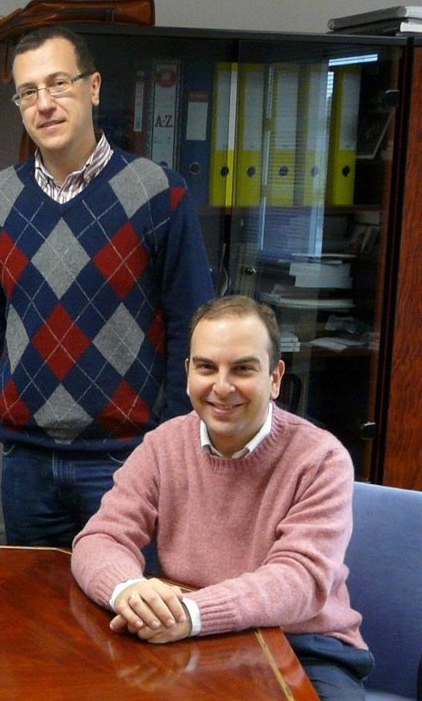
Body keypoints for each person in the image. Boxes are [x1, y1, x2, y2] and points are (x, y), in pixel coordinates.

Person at [0, 25, 214, 547]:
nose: (44, 104)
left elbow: (193, 326)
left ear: (94, 87)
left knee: (127, 597)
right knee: (31, 600)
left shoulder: (158, 193)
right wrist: (3, 409)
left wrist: (170, 440)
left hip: (127, 460)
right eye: (28, 92)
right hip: (27, 464)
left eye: (59, 83)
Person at [71, 295, 372, 700]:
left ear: (275, 378)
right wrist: (127, 589)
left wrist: (194, 612)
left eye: (243, 368)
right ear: (188, 373)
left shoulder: (321, 459)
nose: (222, 386)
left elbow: (300, 579)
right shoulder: (163, 445)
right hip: (187, 636)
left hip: (303, 645)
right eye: (206, 367)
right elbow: (101, 537)